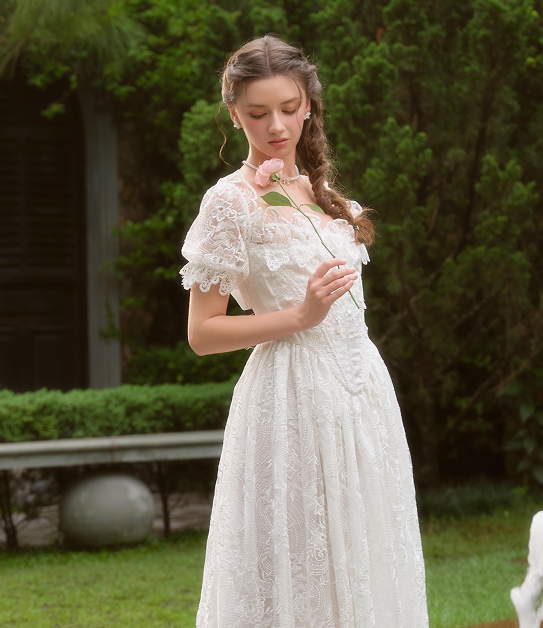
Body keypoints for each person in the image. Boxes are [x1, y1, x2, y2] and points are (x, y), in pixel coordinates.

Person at [180, 35, 428, 627]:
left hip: (361, 391)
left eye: (289, 109)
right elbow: (202, 332)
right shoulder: (229, 203)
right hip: (290, 397)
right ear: (234, 113)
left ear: (309, 105)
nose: (276, 127)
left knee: (366, 546)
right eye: (259, 113)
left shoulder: (325, 197)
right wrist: (299, 317)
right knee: (300, 559)